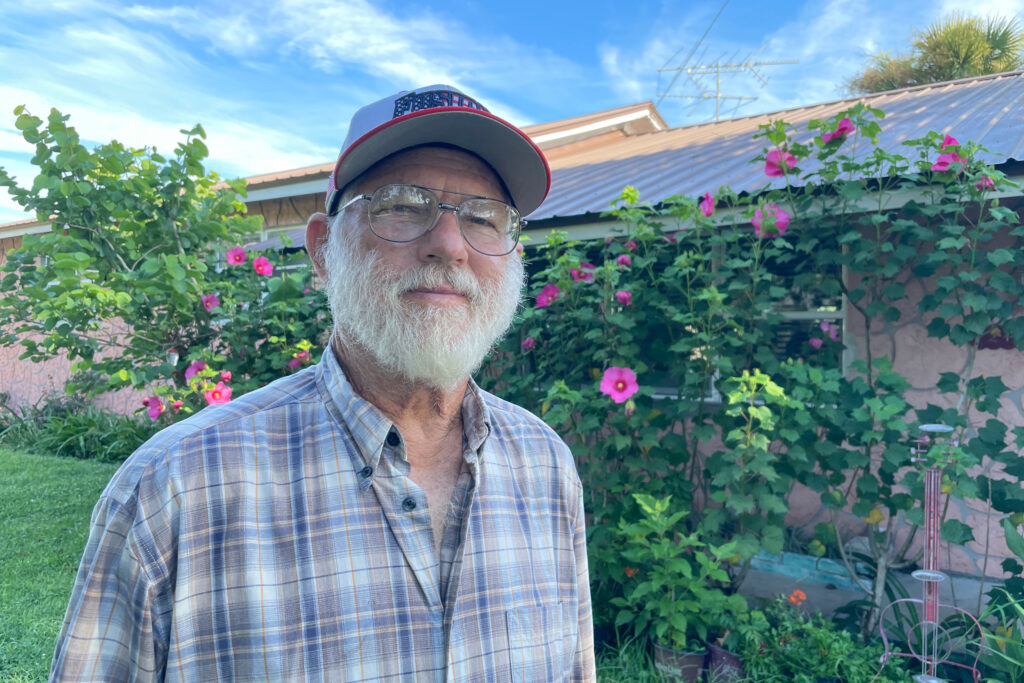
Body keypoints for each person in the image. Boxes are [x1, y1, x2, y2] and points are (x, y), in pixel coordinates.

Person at [51, 84, 594, 681]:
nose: (448, 244)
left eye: (483, 218)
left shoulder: (546, 465)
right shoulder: (175, 488)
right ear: (322, 250)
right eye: (403, 206)